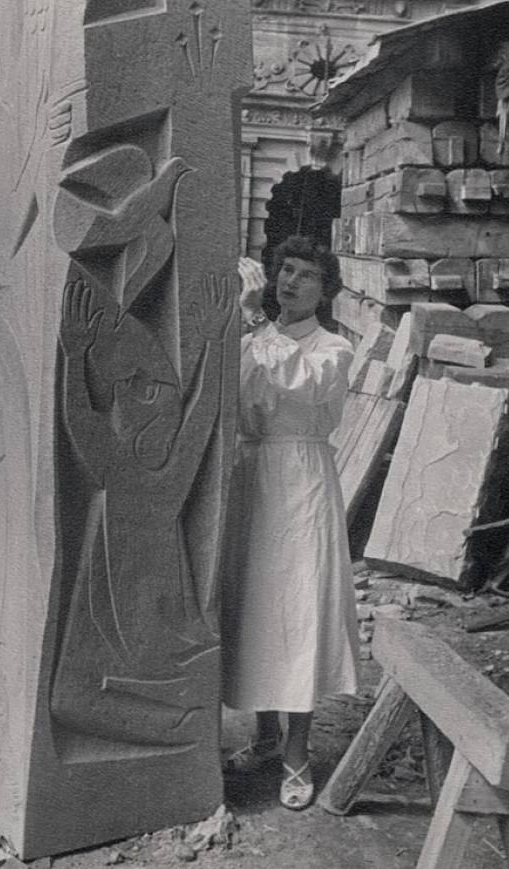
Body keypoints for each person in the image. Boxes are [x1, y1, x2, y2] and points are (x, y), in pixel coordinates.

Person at [221, 234, 360, 811]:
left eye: (307, 274)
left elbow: (301, 381)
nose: (291, 281)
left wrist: (256, 320)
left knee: (298, 613)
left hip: (301, 480)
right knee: (255, 606)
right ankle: (265, 735)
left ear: (325, 291)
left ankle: (297, 752)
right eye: (286, 269)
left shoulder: (334, 348)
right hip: (251, 475)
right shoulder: (250, 340)